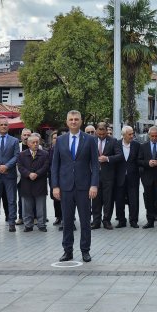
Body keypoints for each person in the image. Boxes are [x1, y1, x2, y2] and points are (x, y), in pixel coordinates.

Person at [51, 110, 99, 263]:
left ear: (81, 121)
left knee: (85, 221)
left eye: (76, 119)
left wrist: (94, 185)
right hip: (65, 187)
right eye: (71, 119)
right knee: (67, 221)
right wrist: (55, 186)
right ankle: (67, 251)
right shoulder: (60, 140)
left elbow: (95, 165)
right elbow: (55, 165)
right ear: (67, 122)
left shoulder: (90, 140)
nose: (73, 122)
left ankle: (85, 251)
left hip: (84, 187)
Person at [91, 122, 122, 230]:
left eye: (103, 134)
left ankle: (107, 220)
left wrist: (107, 159)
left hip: (108, 175)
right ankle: (96, 221)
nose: (101, 136)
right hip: (94, 175)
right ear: (96, 131)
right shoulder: (92, 140)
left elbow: (119, 156)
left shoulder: (113, 141)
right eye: (99, 134)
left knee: (108, 199)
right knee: (95, 199)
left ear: (106, 131)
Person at [18, 134, 50, 232]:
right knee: (26, 205)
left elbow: (46, 166)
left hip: (40, 182)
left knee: (41, 206)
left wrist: (37, 174)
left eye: (37, 142)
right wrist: (28, 174)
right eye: (33, 142)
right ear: (28, 144)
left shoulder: (45, 154)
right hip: (26, 183)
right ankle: (28, 225)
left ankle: (41, 224)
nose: (36, 144)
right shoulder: (22, 154)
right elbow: (20, 166)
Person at [138, 126, 157, 229]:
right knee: (149, 199)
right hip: (148, 177)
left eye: (156, 136)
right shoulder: (143, 146)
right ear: (149, 136)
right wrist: (148, 163)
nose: (154, 138)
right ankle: (150, 220)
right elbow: (139, 161)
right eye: (152, 136)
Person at [114, 126, 141, 228]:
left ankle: (133, 220)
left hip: (133, 177)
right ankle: (121, 220)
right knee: (119, 199)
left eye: (132, 134)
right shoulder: (116, 144)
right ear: (124, 135)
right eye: (129, 134)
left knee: (133, 200)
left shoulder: (137, 145)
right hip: (120, 177)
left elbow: (139, 159)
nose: (132, 136)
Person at [15, 128, 33, 226]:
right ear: (21, 136)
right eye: (24, 135)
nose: (26, 137)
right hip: (20, 176)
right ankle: (21, 217)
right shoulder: (17, 147)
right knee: (21, 197)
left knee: (34, 197)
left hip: (34, 176)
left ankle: (34, 217)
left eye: (28, 135)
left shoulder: (37, 145)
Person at [48, 131, 62, 226]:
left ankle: (67, 217)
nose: (56, 140)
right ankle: (58, 217)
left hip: (64, 177)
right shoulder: (49, 150)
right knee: (56, 198)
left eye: (58, 138)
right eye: (54, 138)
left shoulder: (65, 148)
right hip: (53, 176)